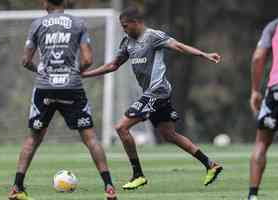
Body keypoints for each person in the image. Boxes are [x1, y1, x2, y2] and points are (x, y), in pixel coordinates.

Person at [81, 7, 223, 190]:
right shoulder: (127, 42)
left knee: (121, 127)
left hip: (157, 91)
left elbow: (178, 46)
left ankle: (138, 175)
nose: (123, 30)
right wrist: (86, 74)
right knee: (169, 134)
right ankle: (211, 165)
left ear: (136, 22)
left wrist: (204, 54)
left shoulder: (153, 36)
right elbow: (113, 65)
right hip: (152, 93)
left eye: (125, 26)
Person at [8, 0, 117, 200]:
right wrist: (78, 73)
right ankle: (109, 187)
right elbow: (87, 60)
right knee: (90, 138)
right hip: (72, 87)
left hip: (44, 88)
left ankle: (17, 188)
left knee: (33, 138)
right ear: (64, 2)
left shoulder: (36, 24)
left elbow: (25, 60)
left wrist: (39, 70)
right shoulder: (78, 23)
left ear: (45, 3)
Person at [248, 18, 278, 200]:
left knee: (261, 143)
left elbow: (258, 57)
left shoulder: (274, 25)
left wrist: (255, 91)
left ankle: (253, 196)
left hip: (275, 90)